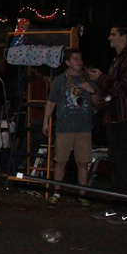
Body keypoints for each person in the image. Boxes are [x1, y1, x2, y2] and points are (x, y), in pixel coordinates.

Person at [88, 25, 127, 224]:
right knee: (117, 166)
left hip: (124, 120)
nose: (109, 37)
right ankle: (117, 207)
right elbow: (113, 91)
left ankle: (126, 209)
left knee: (125, 165)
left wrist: (102, 78)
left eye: (113, 34)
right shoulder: (117, 61)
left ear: (124, 37)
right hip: (114, 119)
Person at [42, 49, 97, 206]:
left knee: (83, 162)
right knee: (60, 161)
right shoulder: (60, 81)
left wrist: (91, 90)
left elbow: (98, 100)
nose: (79, 62)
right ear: (67, 62)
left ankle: (82, 195)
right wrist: (46, 121)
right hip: (64, 127)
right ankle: (56, 193)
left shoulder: (87, 79)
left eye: (80, 59)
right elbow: (51, 102)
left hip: (84, 127)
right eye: (75, 59)